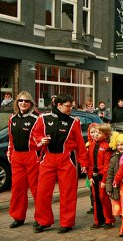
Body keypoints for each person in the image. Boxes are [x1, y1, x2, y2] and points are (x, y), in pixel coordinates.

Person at [32, 94, 88, 233]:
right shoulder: (43, 118)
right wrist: (41, 140)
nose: (71, 109)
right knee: (42, 192)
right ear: (59, 105)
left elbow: (80, 144)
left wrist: (84, 163)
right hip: (48, 159)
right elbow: (35, 134)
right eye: (68, 106)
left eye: (72, 106)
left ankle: (67, 222)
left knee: (68, 192)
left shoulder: (74, 122)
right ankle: (43, 221)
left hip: (67, 159)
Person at [7, 91, 40, 228]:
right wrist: (10, 153)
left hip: (32, 155)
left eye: (26, 101)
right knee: (17, 189)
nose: (23, 103)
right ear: (17, 102)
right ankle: (18, 217)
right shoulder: (12, 118)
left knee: (37, 189)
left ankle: (40, 217)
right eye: (20, 100)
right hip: (17, 157)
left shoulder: (37, 118)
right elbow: (11, 139)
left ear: (31, 103)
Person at [87, 123, 114, 230]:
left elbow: (107, 165)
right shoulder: (91, 145)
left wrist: (104, 180)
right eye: (95, 132)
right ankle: (97, 220)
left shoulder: (106, 147)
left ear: (105, 135)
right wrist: (89, 176)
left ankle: (109, 220)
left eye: (99, 132)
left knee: (104, 198)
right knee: (95, 198)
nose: (96, 134)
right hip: (93, 176)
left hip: (102, 176)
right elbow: (89, 162)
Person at [106, 132, 123, 236]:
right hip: (117, 186)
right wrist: (109, 186)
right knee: (119, 207)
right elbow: (110, 173)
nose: (121, 147)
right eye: (118, 145)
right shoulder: (114, 158)